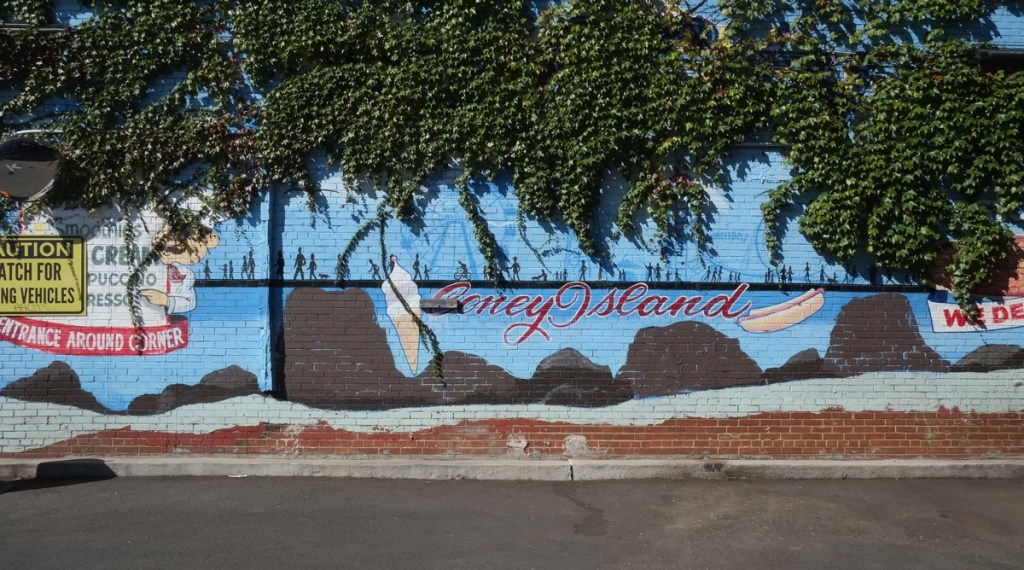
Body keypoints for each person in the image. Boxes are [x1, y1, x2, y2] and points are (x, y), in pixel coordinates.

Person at [140, 223, 220, 315]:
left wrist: (166, 300)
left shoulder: (186, 275)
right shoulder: (148, 249)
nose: (194, 260)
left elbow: (190, 303)